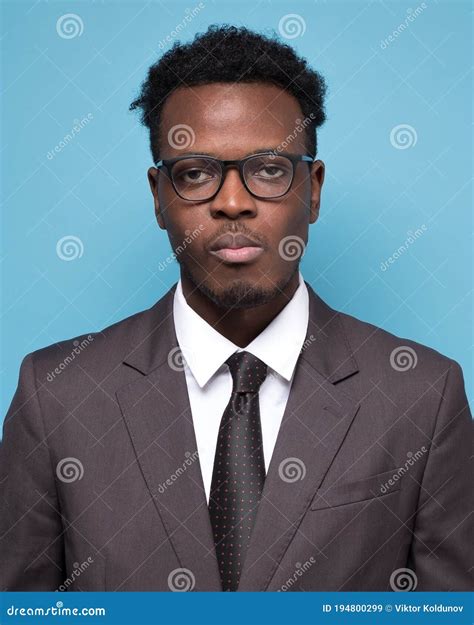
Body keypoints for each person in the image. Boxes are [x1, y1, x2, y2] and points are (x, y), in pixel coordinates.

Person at [1, 25, 472, 592]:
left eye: (270, 169)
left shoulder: (422, 395)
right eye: (195, 173)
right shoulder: (57, 395)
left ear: (314, 189)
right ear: (158, 197)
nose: (232, 202)